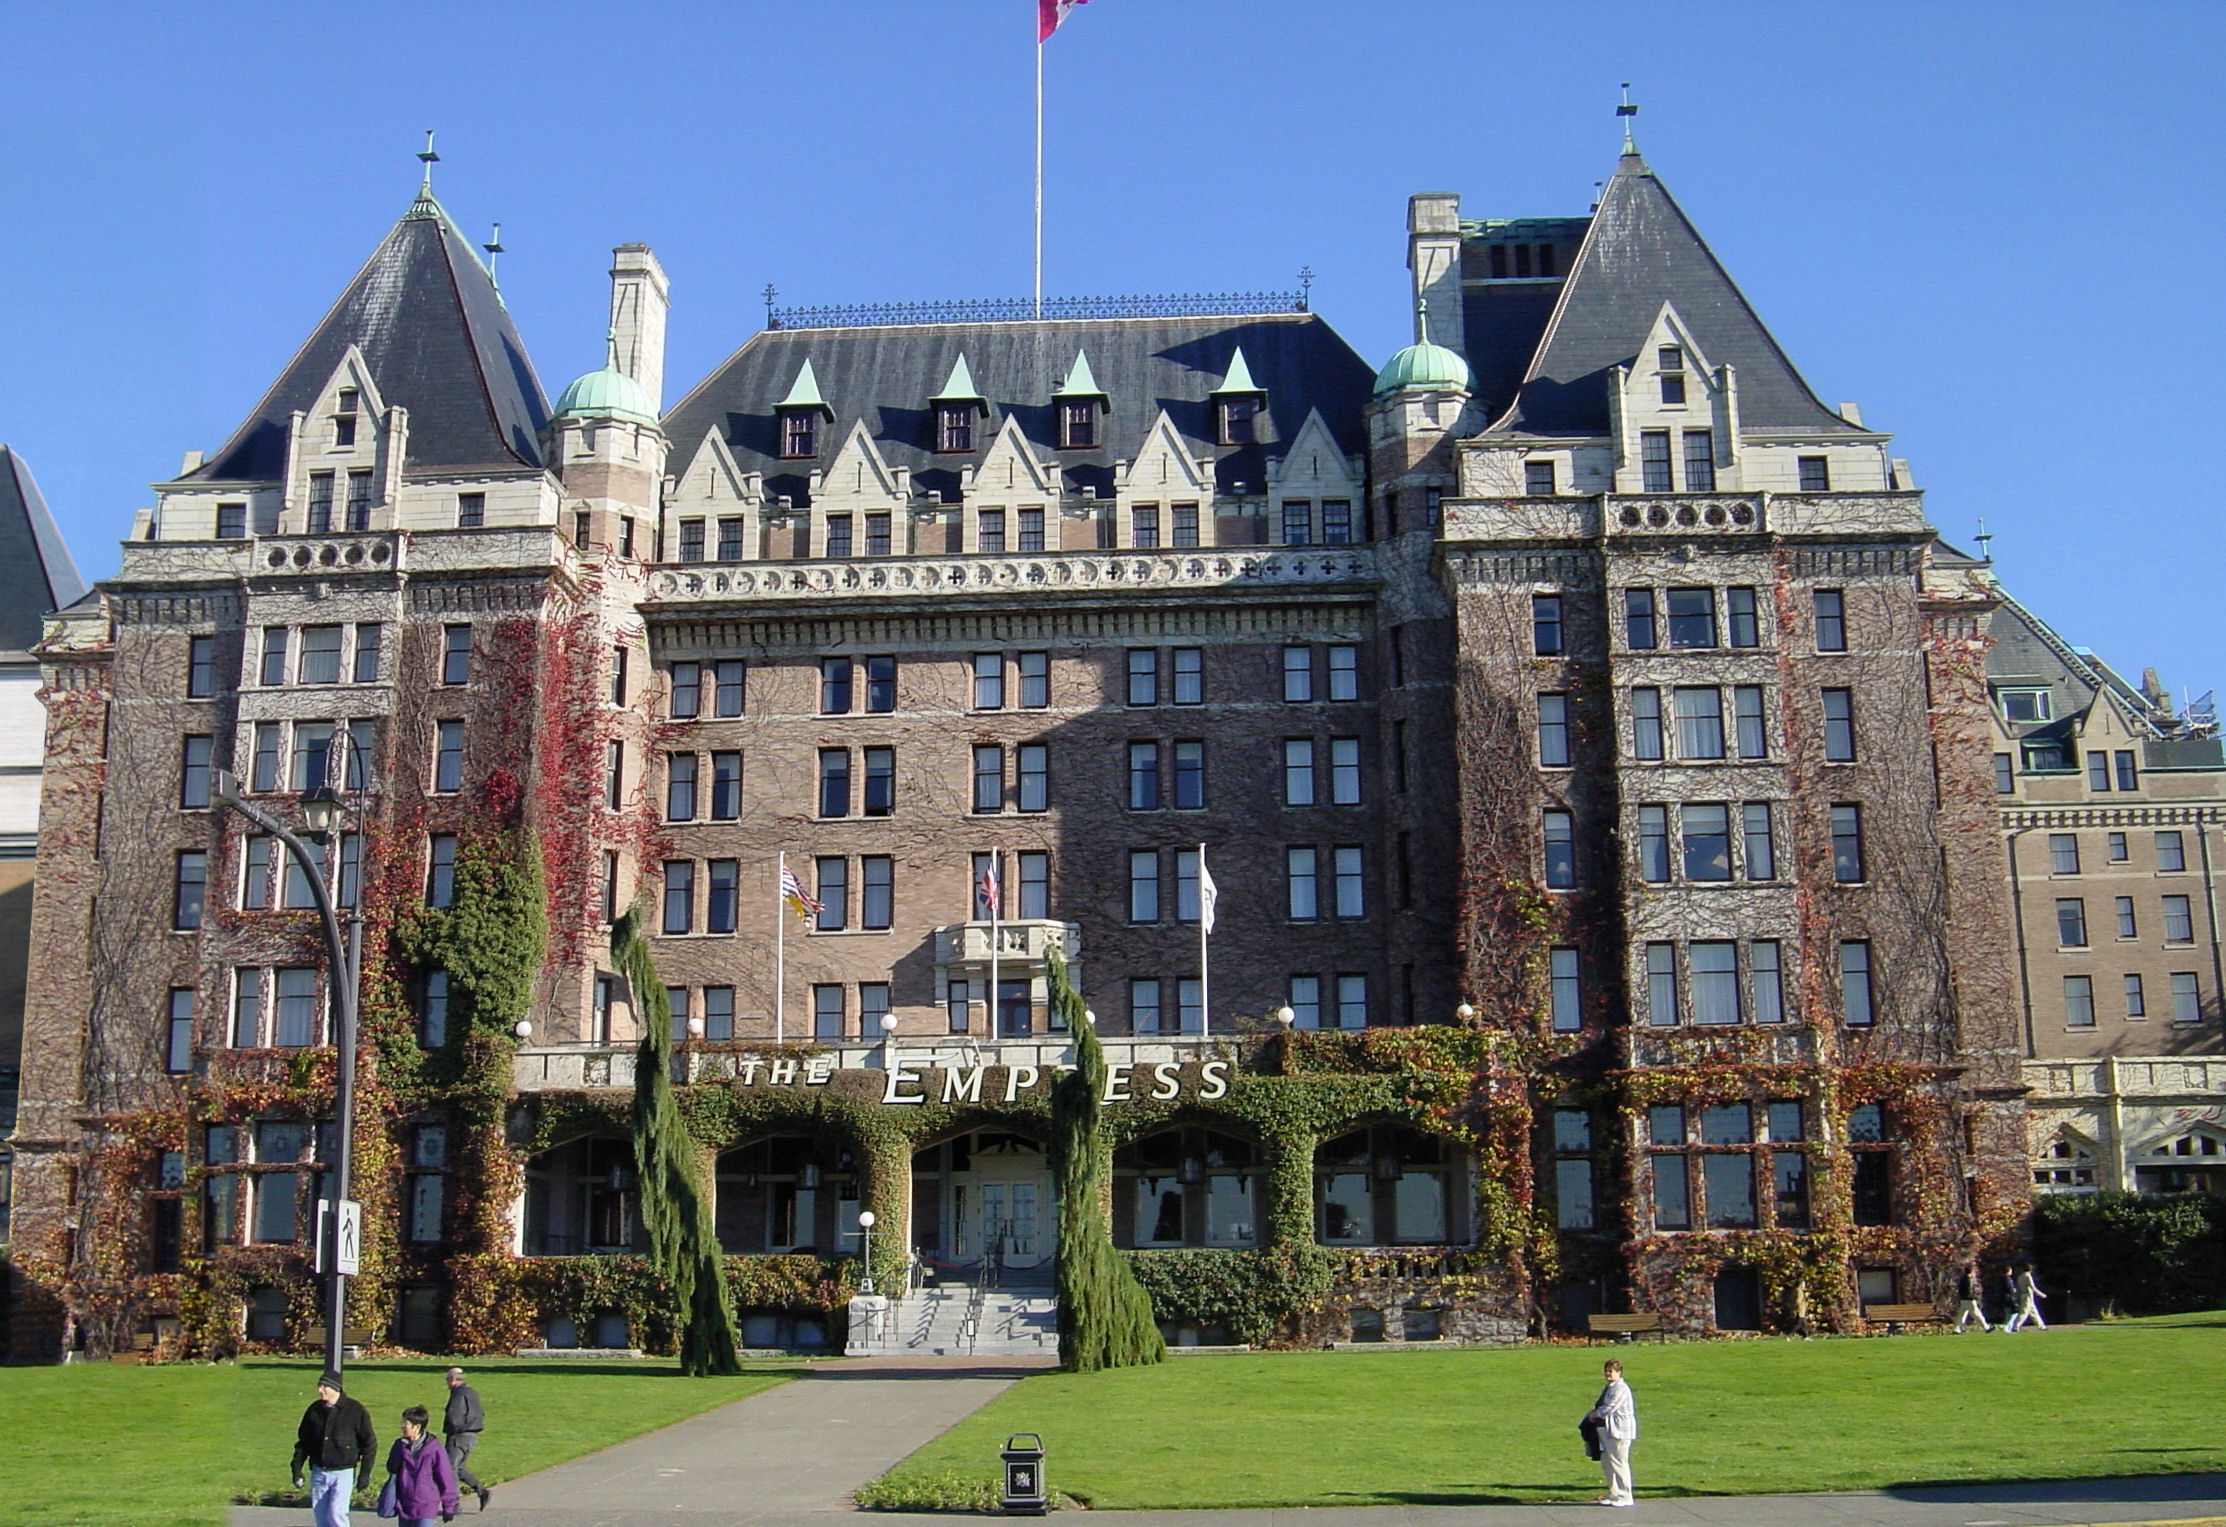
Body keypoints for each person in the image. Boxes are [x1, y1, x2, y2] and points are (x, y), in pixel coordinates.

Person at [291, 1371, 376, 1527]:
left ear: (335, 1388)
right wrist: (297, 1468)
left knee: (337, 1514)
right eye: (319, 1386)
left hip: (343, 1472)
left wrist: (364, 1474)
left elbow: (369, 1444)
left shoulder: (355, 1410)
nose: (320, 1390)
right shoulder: (314, 1410)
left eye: (324, 1386)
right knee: (321, 1516)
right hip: (319, 1471)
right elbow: (304, 1442)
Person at [387, 1405, 461, 1527]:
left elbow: (446, 1477)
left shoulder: (435, 1449)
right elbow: (391, 1468)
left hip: (426, 1506)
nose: (402, 1426)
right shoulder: (399, 1445)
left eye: (406, 1423)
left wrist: (449, 1506)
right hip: (405, 1505)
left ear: (417, 1427)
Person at [1582, 1358, 1638, 1507]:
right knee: (1608, 1462)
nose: (1608, 1374)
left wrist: (1593, 1415)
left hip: (1619, 1431)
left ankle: (1626, 1495)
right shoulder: (1610, 1387)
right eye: (1606, 1371)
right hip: (1607, 1430)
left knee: (1619, 1463)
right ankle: (1614, 1493)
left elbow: (1610, 1407)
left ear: (1619, 1372)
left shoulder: (1620, 1388)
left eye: (1611, 1371)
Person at [443, 1365, 493, 1512]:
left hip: (458, 1436)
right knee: (459, 1468)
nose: (446, 1382)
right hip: (472, 1435)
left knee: (450, 1468)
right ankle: (481, 1491)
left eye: (447, 1379)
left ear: (453, 1380)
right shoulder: (472, 1393)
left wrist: (453, 1429)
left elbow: (454, 1416)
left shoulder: (457, 1394)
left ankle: (454, 1503)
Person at [2005, 1264, 2048, 1331]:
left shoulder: (2020, 1277)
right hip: (2027, 1296)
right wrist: (2041, 1294)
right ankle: (2015, 1326)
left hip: (2023, 1295)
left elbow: (2018, 1289)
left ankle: (2041, 1326)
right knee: (2024, 1312)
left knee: (2034, 1312)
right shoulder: (2028, 1276)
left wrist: (2016, 1297)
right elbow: (2032, 1287)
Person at [1953, 1263, 1991, 1332]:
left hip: (1963, 1299)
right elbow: (1969, 1291)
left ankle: (1957, 1329)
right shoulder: (1969, 1280)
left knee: (1961, 1315)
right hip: (1969, 1300)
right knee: (1977, 1314)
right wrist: (1975, 1297)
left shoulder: (1962, 1279)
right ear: (1971, 1272)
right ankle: (1986, 1327)